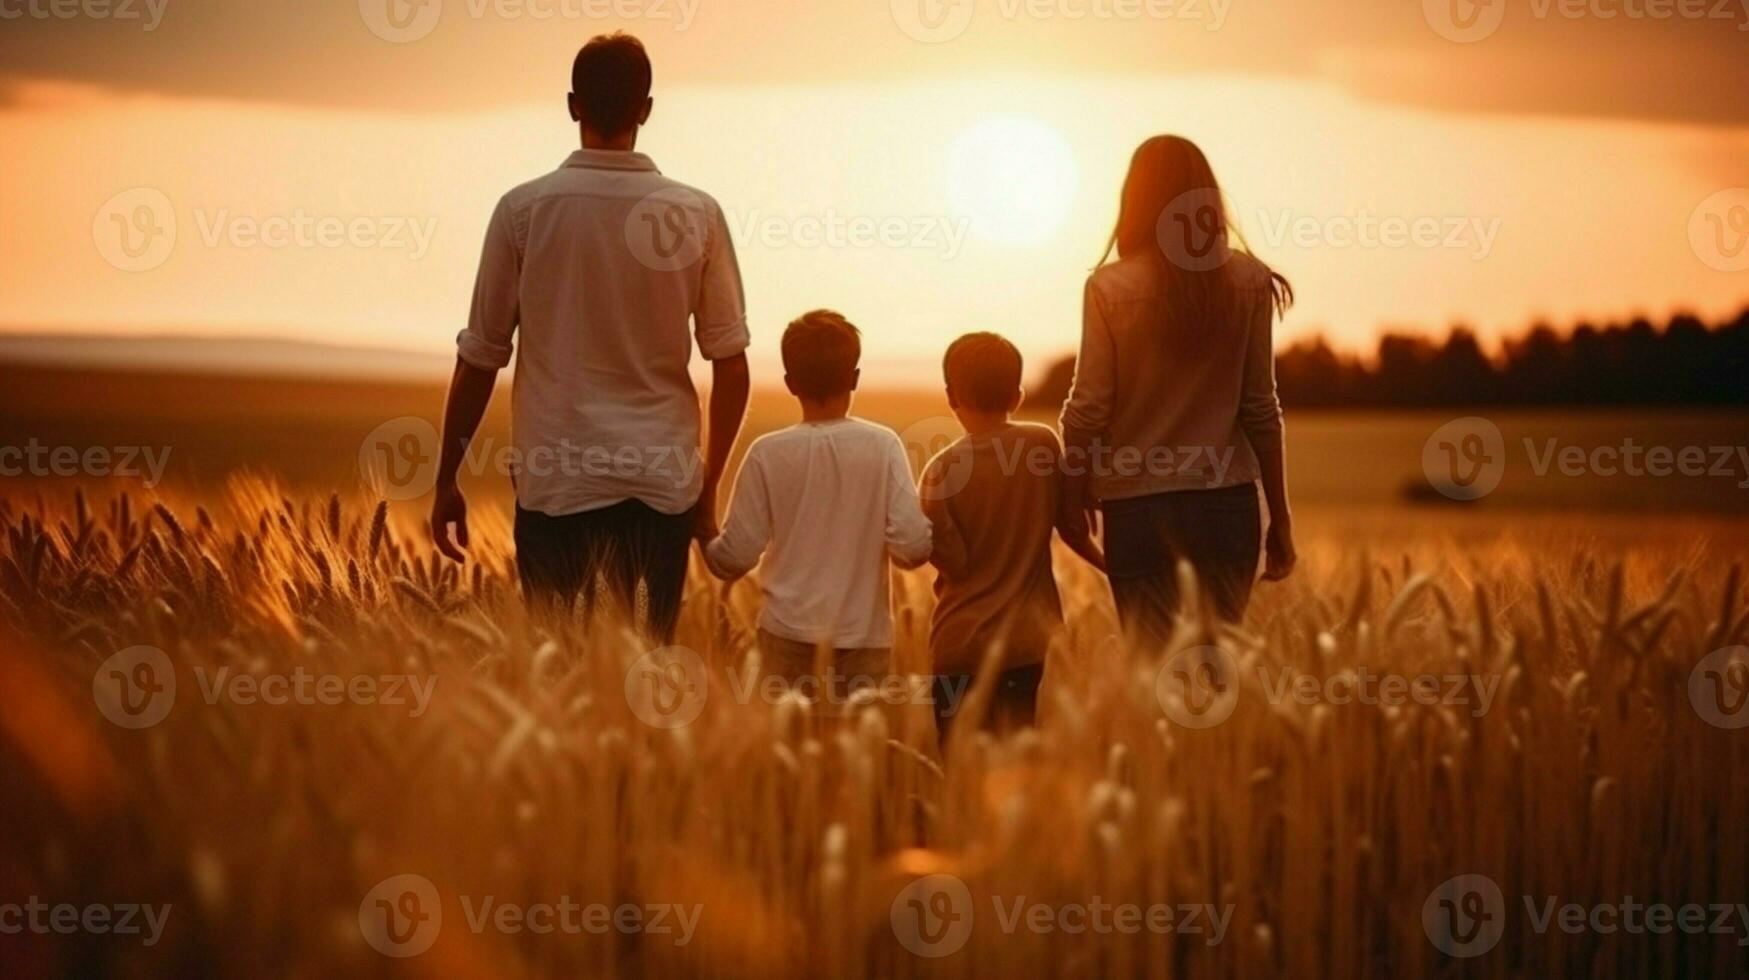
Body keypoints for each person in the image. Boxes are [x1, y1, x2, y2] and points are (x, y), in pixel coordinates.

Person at [429, 33, 750, 643]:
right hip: (662, 483)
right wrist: (705, 491)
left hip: (557, 480)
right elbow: (731, 366)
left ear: (572, 105)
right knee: (645, 673)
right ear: (646, 109)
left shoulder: (522, 211)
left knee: (558, 678)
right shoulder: (697, 214)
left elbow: (480, 358)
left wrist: (447, 480)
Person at [1061, 135, 1297, 650]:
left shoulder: (1109, 288)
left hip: (1139, 511)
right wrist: (1278, 517)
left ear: (1136, 200)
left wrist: (1071, 493)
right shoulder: (1249, 281)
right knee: (1216, 675)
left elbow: (1089, 408)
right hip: (1228, 508)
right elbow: (1261, 408)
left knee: (1153, 680)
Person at [701, 311, 932, 702]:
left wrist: (704, 529)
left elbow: (734, 559)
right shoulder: (884, 445)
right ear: (854, 378)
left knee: (793, 753)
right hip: (865, 642)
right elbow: (911, 549)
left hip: (784, 639)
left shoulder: (765, 454)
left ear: (790, 384)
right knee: (856, 757)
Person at [919, 332, 1105, 739]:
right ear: (1018, 396)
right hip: (1026, 646)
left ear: (951, 397)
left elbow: (955, 562)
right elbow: (1072, 528)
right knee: (1013, 766)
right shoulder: (1041, 445)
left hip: (959, 646)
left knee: (960, 771)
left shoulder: (940, 470)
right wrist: (1110, 567)